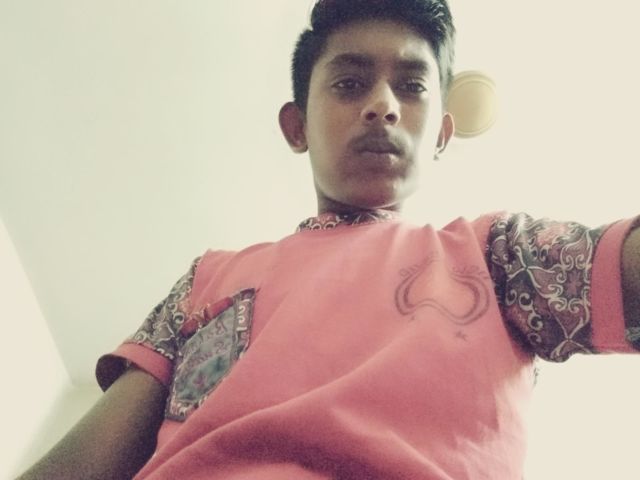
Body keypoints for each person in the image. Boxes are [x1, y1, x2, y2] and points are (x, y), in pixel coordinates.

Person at [17, 0, 640, 478]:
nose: (383, 105)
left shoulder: (498, 254)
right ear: (297, 126)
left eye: (412, 86)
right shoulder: (207, 276)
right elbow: (84, 460)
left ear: (441, 135)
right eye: (348, 83)